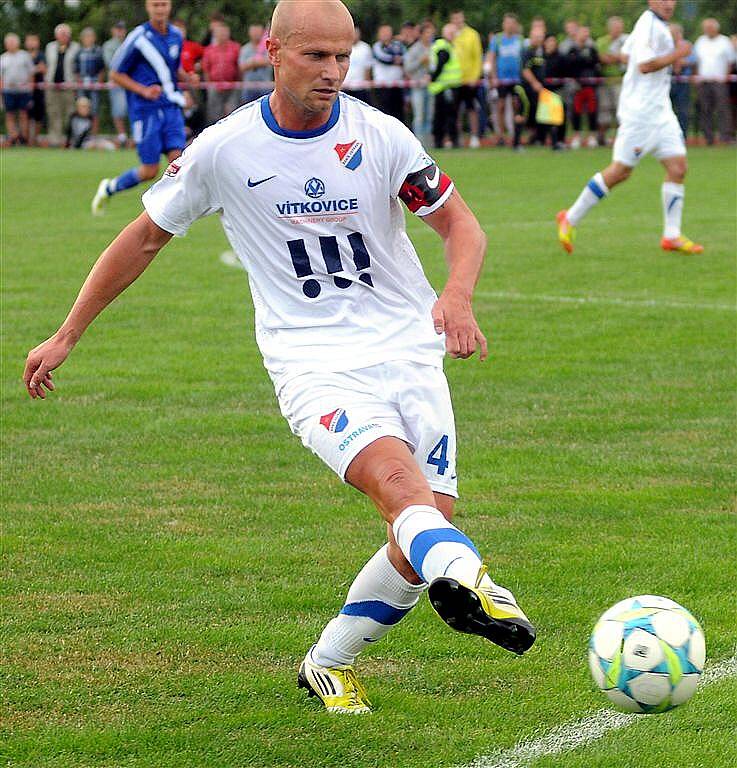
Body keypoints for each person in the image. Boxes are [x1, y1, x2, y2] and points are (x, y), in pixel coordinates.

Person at [24, 0, 536, 716]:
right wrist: (68, 333)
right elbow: (142, 238)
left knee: (424, 521)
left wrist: (456, 294)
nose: (332, 72)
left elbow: (459, 224)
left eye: (342, 56)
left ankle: (328, 662)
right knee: (399, 488)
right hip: (312, 362)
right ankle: (475, 578)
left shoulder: (381, 136)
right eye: (315, 57)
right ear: (272, 51)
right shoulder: (223, 149)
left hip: (406, 348)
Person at [557, 0, 703, 256]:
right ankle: (570, 217)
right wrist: (677, 54)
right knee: (621, 172)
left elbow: (627, 54)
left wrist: (667, 54)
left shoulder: (654, 26)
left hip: (661, 111)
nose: (669, 3)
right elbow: (644, 66)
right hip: (640, 115)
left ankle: (672, 235)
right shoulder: (648, 24)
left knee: (678, 168)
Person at [91, 0, 187, 216]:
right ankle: (109, 187)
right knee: (149, 170)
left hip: (171, 107)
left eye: (163, 5)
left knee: (179, 164)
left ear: (169, 7)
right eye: (156, 5)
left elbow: (173, 68)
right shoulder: (138, 37)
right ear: (148, 7)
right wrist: (143, 90)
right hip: (146, 111)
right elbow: (115, 74)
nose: (160, 9)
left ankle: (171, 215)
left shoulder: (176, 35)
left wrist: (187, 78)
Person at [693, 18, 736, 145]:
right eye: (706, 28)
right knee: (705, 109)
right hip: (704, 80)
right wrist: (696, 76)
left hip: (719, 81)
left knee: (723, 109)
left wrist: (726, 76)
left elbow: (730, 61)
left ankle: (725, 137)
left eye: (710, 28)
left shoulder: (724, 41)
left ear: (716, 29)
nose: (708, 31)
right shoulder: (700, 41)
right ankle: (708, 137)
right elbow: (696, 61)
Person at [488, 13, 524, 147]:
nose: (509, 26)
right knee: (501, 106)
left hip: (516, 79)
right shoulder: (497, 40)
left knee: (516, 106)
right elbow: (492, 58)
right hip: (502, 79)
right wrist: (493, 76)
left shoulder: (520, 40)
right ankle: (501, 135)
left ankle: (516, 135)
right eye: (507, 23)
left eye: (512, 23)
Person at [450, 10, 483, 148]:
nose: (457, 21)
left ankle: (474, 136)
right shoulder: (450, 34)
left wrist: (475, 77)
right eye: (455, 18)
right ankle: (457, 138)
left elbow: (477, 57)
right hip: (454, 80)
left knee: (471, 109)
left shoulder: (472, 34)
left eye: (459, 18)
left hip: (469, 79)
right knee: (455, 110)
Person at [44, 23, 79, 146]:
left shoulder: (76, 47)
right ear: (56, 35)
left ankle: (70, 139)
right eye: (61, 34)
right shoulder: (50, 47)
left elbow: (77, 68)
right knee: (54, 113)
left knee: (70, 113)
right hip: (52, 86)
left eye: (65, 34)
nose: (63, 36)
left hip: (69, 86)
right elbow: (48, 65)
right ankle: (55, 140)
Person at [596, 17, 629, 146]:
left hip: (622, 81)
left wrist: (614, 57)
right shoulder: (602, 41)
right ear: (609, 28)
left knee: (622, 111)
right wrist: (620, 57)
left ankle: (623, 140)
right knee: (604, 110)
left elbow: (630, 58)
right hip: (605, 81)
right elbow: (603, 58)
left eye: (620, 27)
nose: (618, 30)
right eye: (615, 27)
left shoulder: (627, 40)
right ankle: (601, 138)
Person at [429, 23, 462, 148]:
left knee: (442, 115)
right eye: (452, 33)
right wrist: (432, 78)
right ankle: (448, 140)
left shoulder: (442, 45)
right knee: (448, 116)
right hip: (445, 87)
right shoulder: (444, 47)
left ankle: (441, 141)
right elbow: (440, 65)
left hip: (443, 87)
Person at [567, 26, 600, 149]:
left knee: (592, 111)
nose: (585, 35)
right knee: (576, 111)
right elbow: (570, 64)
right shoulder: (572, 49)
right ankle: (577, 136)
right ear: (577, 34)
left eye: (587, 33)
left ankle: (592, 136)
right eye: (583, 33)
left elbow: (595, 64)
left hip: (590, 86)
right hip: (577, 87)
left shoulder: (591, 49)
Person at [202, 22, 240, 124]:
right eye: (220, 33)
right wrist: (209, 86)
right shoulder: (209, 50)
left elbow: (239, 67)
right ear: (215, 34)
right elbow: (206, 69)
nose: (222, 35)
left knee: (233, 111)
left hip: (232, 86)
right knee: (214, 114)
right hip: (214, 86)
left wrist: (237, 82)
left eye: (224, 32)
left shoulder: (236, 47)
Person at [1, 32, 34, 145]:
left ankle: (24, 138)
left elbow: (31, 73)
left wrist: (31, 89)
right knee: (9, 114)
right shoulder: (3, 58)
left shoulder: (25, 56)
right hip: (8, 91)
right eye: (8, 42)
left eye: (13, 42)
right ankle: (12, 137)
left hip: (24, 91)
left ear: (17, 43)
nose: (10, 44)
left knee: (23, 114)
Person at [404, 20, 434, 140]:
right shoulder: (414, 49)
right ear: (421, 34)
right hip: (417, 87)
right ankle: (419, 143)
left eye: (431, 33)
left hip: (432, 86)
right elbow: (408, 68)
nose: (430, 36)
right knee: (419, 116)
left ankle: (428, 143)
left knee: (429, 116)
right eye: (427, 33)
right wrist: (420, 61)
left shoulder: (434, 47)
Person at [102, 21, 129, 148]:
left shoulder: (129, 42)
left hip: (130, 81)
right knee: (118, 109)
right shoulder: (108, 45)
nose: (120, 31)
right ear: (113, 30)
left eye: (122, 29)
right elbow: (110, 63)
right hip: (116, 82)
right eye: (117, 29)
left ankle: (135, 137)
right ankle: (122, 136)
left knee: (132, 108)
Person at [74, 27, 105, 136]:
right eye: (86, 37)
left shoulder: (98, 51)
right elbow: (76, 70)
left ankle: (93, 135)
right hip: (82, 86)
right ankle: (81, 135)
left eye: (90, 36)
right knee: (81, 110)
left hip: (94, 85)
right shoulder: (79, 52)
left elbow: (102, 69)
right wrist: (78, 84)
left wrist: (99, 83)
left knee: (94, 111)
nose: (88, 39)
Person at [372, 24, 406, 122]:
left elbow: (405, 57)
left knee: (398, 112)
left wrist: (399, 59)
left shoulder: (398, 44)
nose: (386, 34)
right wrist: (394, 59)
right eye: (384, 32)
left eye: (388, 32)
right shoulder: (377, 46)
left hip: (397, 84)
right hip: (383, 85)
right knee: (384, 112)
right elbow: (382, 58)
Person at [669, 23, 695, 138]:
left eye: (675, 32)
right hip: (667, 81)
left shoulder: (687, 45)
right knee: (667, 109)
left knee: (683, 109)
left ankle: (682, 135)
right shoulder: (665, 45)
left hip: (683, 83)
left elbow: (693, 60)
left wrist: (677, 61)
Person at [239, 24, 272, 104]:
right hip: (249, 87)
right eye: (253, 32)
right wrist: (255, 62)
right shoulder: (245, 49)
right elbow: (242, 67)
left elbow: (270, 61)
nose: (255, 34)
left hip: (265, 86)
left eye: (257, 31)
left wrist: (252, 63)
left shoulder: (268, 48)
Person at [24, 33, 46, 146]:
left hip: (38, 91)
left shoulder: (41, 55)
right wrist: (34, 69)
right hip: (25, 91)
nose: (32, 43)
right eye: (29, 40)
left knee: (38, 115)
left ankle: (35, 139)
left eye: (34, 40)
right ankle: (26, 139)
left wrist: (29, 70)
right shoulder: (23, 55)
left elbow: (43, 69)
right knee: (26, 116)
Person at [342, 24, 372, 104]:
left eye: (357, 33)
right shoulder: (343, 46)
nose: (355, 35)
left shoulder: (365, 48)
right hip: (345, 86)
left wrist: (367, 84)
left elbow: (368, 67)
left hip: (360, 86)